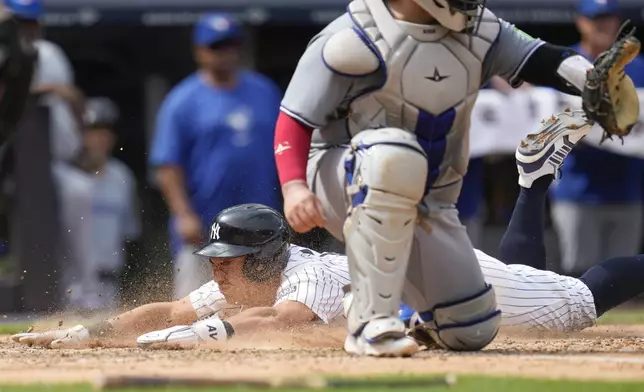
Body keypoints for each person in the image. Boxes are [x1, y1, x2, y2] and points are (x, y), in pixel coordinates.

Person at [11, 115, 644, 347]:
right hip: (439, 291)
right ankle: (532, 183)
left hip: (453, 290)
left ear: (263, 260)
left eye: (229, 259)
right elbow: (169, 306)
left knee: (572, 305)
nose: (217, 269)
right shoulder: (243, 285)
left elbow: (283, 325)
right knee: (530, 281)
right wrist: (88, 335)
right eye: (217, 258)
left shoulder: (304, 274)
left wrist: (182, 340)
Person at [272, 0, 638, 356]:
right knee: (394, 153)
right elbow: (294, 119)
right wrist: (293, 187)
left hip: (431, 204)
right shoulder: (352, 36)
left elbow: (540, 58)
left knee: (472, 328)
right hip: (343, 180)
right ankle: (371, 320)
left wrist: (592, 78)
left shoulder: (478, 27)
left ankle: (402, 309)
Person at [149, 13, 283, 300]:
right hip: (205, 224)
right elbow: (167, 164)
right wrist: (183, 214)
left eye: (231, 45)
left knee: (264, 306)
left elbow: (285, 147)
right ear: (199, 51)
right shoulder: (182, 100)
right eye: (216, 46)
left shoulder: (265, 91)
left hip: (261, 223)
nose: (225, 53)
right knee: (193, 306)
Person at [549, 0, 644, 277]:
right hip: (577, 189)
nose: (605, 25)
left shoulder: (638, 68)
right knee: (578, 276)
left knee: (621, 279)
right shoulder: (562, 65)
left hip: (627, 189)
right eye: (596, 19)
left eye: (610, 19)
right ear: (581, 22)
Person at [54, 98, 141, 310]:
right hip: (69, 283)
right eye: (93, 129)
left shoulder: (122, 176)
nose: (102, 137)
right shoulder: (62, 178)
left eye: (107, 130)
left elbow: (129, 232)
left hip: (109, 282)